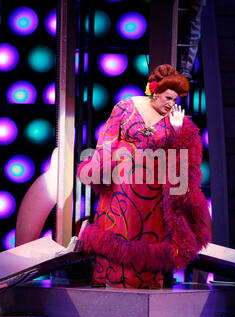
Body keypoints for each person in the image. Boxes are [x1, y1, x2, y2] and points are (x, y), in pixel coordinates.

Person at [74, 64, 211, 289]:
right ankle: (109, 277)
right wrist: (102, 168)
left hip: (152, 188)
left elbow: (183, 158)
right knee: (115, 228)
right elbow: (107, 138)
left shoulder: (174, 120)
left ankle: (145, 283)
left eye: (175, 100)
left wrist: (177, 131)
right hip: (120, 182)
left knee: (147, 233)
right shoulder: (127, 106)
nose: (171, 103)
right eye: (168, 97)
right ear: (155, 91)